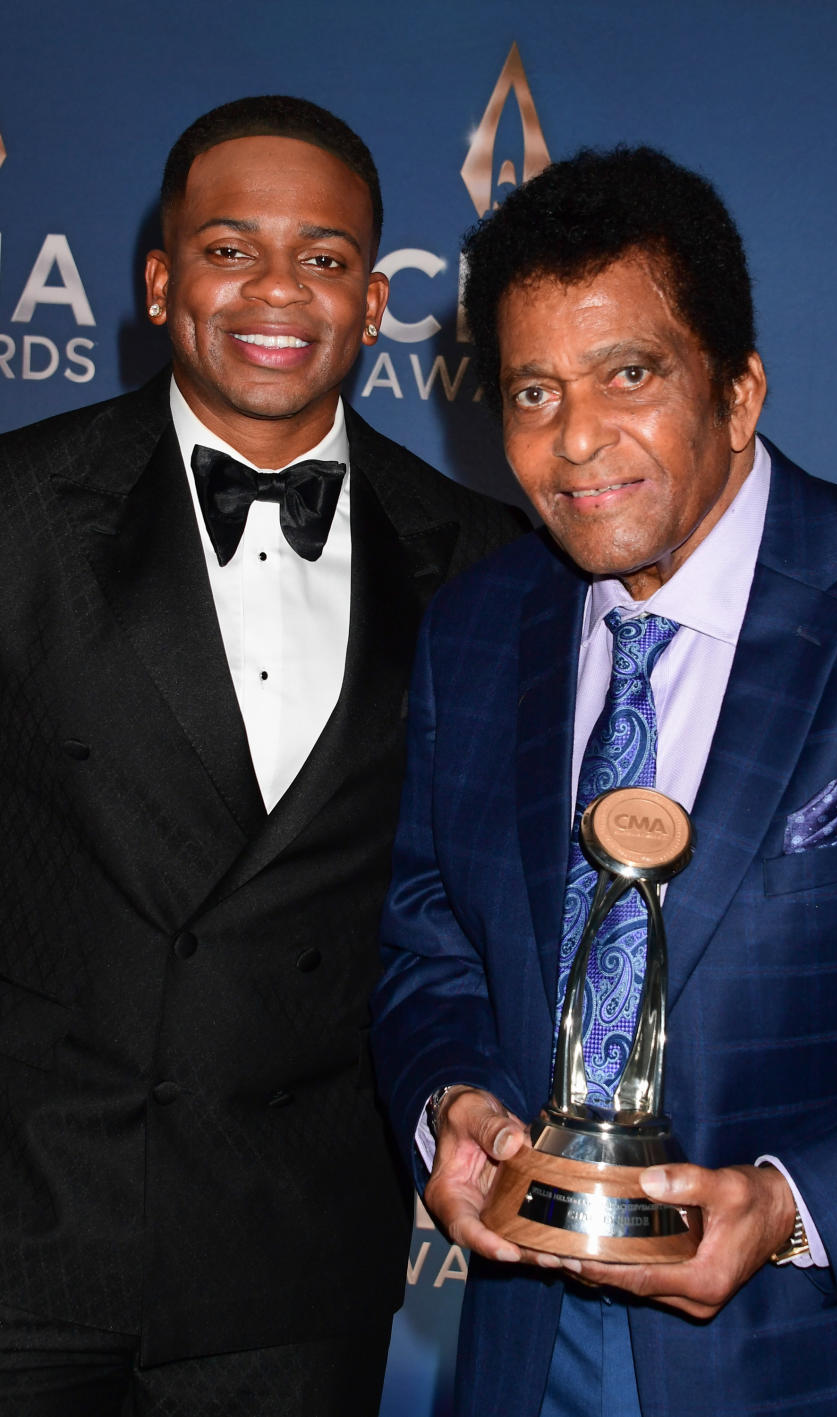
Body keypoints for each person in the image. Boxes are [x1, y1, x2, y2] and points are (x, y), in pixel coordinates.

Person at [372, 146, 837, 1417]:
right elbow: (431, 936)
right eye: (532, 392)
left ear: (739, 392)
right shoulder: (476, 630)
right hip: (524, 1359)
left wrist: (800, 1202)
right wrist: (452, 1103)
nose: (578, 440)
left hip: (829, 1360)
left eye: (629, 375)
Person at [0, 95, 522, 1416]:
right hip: (22, 1239)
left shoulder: (485, 561)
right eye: (231, 250)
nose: (278, 290)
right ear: (162, 277)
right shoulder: (16, 512)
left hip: (292, 1275)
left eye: (326, 257)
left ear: (378, 296)